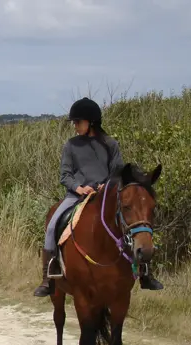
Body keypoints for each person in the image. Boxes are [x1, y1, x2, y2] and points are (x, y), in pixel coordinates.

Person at [33, 97, 164, 297]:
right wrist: (79, 188)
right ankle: (48, 277)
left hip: (105, 197)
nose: (75, 126)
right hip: (76, 196)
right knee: (52, 226)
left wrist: (107, 185)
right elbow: (65, 176)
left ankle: (145, 272)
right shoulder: (71, 145)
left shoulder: (111, 144)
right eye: (74, 122)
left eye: (78, 122)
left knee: (135, 223)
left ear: (91, 122)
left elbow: (119, 172)